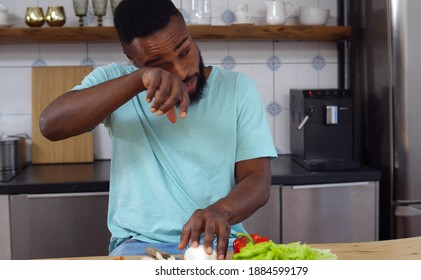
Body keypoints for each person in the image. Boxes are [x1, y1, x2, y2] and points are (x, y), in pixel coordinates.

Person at [39, 0, 276, 260]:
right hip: (137, 245)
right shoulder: (115, 81)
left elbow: (257, 179)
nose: (182, 71)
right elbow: (50, 124)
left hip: (220, 242)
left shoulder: (238, 88)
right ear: (132, 60)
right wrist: (138, 81)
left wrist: (222, 210)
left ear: (188, 32)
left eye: (184, 51)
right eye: (159, 65)